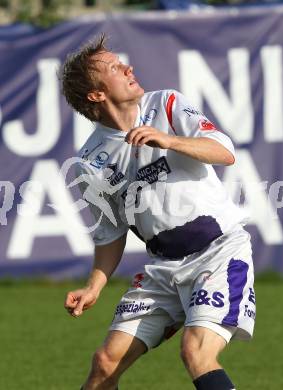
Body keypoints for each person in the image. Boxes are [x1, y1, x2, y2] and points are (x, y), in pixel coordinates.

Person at [60, 34, 256, 390]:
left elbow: (224, 151)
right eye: (115, 68)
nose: (128, 68)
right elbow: (111, 232)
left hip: (218, 252)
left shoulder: (166, 104)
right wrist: (94, 286)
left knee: (196, 352)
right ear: (96, 95)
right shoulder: (89, 162)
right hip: (164, 269)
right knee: (105, 365)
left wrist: (169, 140)